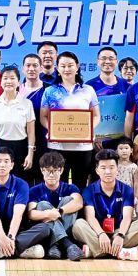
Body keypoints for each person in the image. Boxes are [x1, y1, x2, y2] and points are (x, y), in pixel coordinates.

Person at [69, 148, 138, 261]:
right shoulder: (89, 190)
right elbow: (90, 217)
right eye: (103, 168)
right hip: (96, 232)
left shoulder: (127, 190)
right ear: (97, 170)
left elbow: (127, 217)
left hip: (118, 231)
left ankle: (96, 251)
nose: (108, 172)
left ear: (117, 169)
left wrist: (120, 235)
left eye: (111, 167)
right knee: (78, 225)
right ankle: (119, 252)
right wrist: (101, 234)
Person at [40, 53, 101, 189]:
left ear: (77, 67)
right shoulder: (49, 91)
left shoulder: (88, 90)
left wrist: (87, 130)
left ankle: (78, 204)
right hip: (57, 146)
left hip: (83, 146)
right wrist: (53, 130)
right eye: (63, 66)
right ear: (57, 68)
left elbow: (96, 116)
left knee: (80, 183)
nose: (66, 69)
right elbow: (43, 117)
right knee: (58, 184)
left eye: (70, 65)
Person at [15, 150, 82, 259]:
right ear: (42, 170)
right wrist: (48, 214)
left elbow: (78, 203)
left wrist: (59, 211)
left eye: (55, 171)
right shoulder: (34, 190)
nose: (51, 175)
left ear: (61, 170)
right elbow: (31, 214)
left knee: (68, 200)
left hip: (67, 227)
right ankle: (66, 244)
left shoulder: (70, 188)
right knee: (42, 205)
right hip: (46, 231)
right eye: (47, 171)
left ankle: (55, 245)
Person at [0, 67, 36, 177]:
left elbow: (31, 132)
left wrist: (30, 154)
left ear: (18, 82)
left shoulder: (27, 103)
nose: (9, 81)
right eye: (5, 78)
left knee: (19, 180)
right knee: (0, 179)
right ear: (1, 82)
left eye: (12, 78)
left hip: (20, 147)